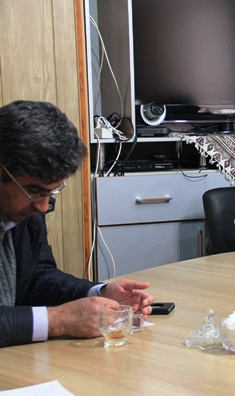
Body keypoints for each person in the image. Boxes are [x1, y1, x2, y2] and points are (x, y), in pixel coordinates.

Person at [0, 100, 154, 348]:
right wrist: (57, 320)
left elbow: (36, 276)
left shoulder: (26, 207)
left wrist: (98, 294)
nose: (42, 207)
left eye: (51, 193)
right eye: (34, 191)